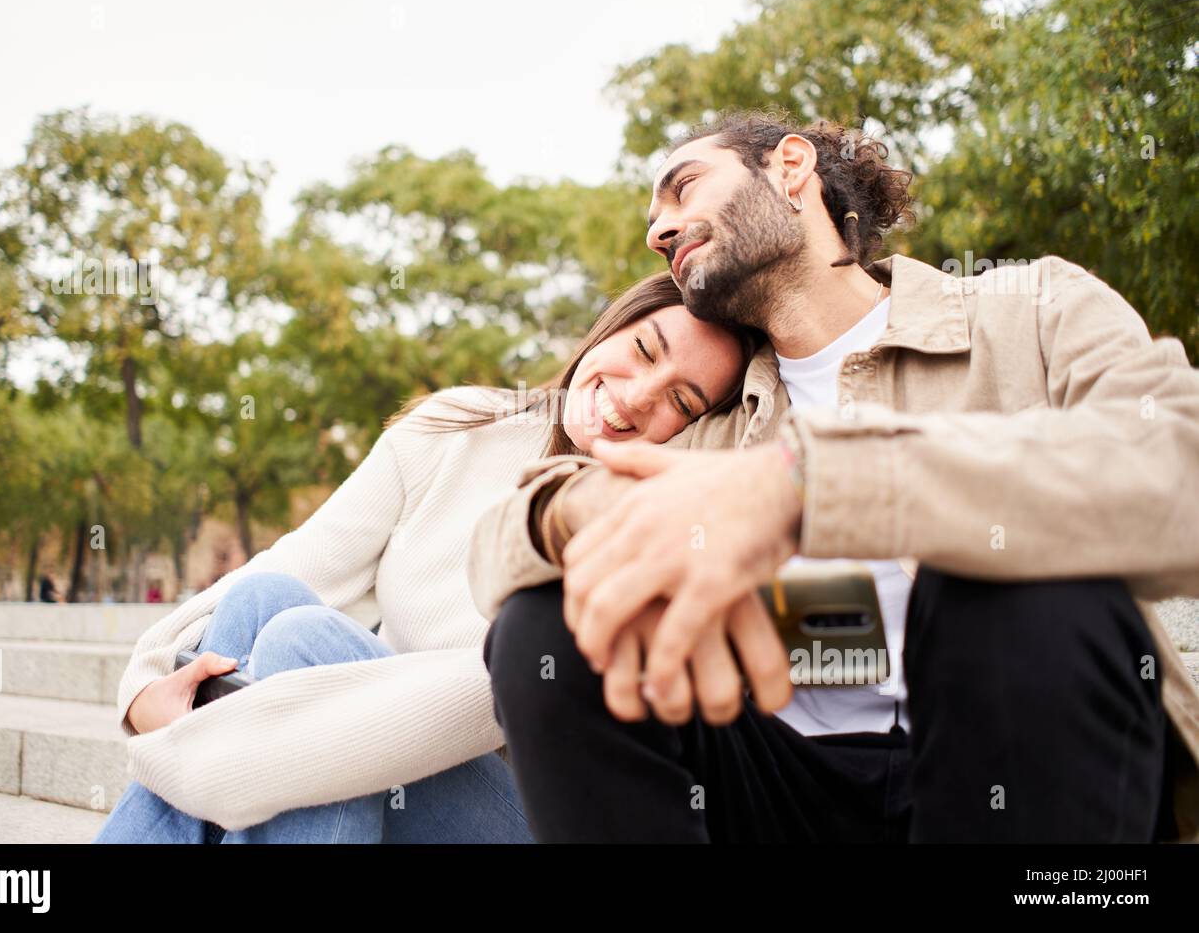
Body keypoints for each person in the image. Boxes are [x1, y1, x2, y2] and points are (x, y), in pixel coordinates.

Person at [473, 108, 1199, 843]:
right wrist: (580, 513)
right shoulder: (708, 427)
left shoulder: (1032, 311)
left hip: (1023, 771)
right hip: (780, 792)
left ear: (791, 168)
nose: (657, 231)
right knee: (550, 622)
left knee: (1000, 576)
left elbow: (1180, 466)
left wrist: (802, 486)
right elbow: (499, 550)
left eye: (684, 188)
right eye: (656, 221)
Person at [93, 272, 756, 844]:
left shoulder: (652, 510)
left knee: (306, 645)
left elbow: (506, 692)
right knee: (261, 602)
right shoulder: (461, 425)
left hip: (513, 811)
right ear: (613, 326)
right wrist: (148, 680)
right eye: (643, 350)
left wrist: (263, 737)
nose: (640, 396)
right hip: (368, 768)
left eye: (680, 400)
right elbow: (301, 559)